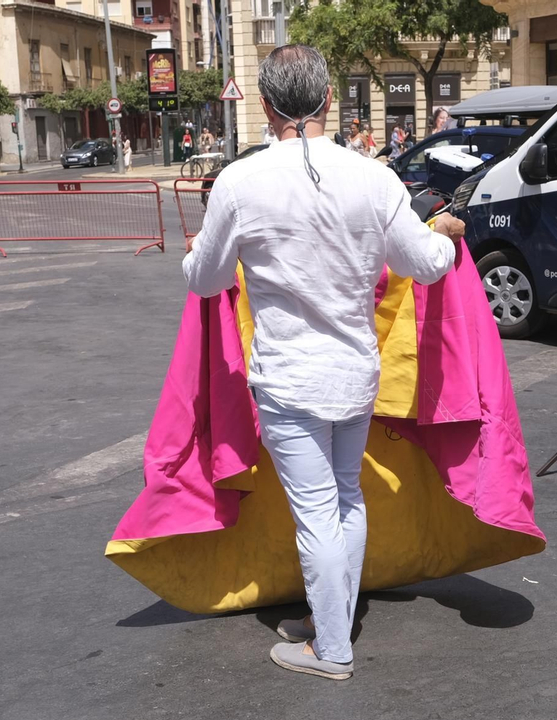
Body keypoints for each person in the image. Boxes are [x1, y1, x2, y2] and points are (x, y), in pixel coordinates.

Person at [182, 44, 465, 681]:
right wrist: (445, 238)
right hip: (354, 371)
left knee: (318, 511)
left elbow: (205, 281)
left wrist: (197, 249)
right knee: (344, 501)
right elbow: (424, 264)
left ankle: (331, 647)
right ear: (329, 101)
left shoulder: (240, 181)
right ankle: (328, 617)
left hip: (288, 379)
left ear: (264, 105)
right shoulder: (373, 176)